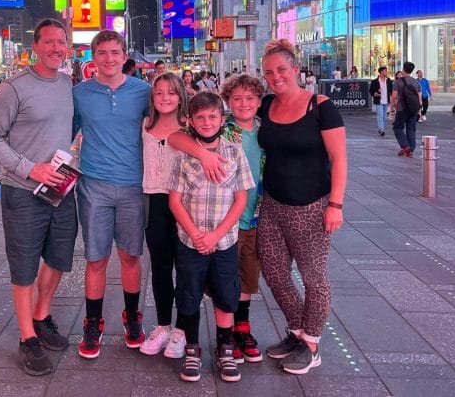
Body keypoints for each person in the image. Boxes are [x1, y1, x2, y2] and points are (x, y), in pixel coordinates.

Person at [0, 18, 77, 377]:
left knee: (59, 259)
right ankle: (27, 338)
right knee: (24, 267)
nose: (56, 48)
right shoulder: (13, 88)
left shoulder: (68, 83)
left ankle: (42, 315)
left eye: (61, 42)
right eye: (49, 42)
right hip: (22, 192)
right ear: (34, 47)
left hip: (61, 191)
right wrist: (28, 167)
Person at [254, 40, 346, 375]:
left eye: (281, 70)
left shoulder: (320, 107)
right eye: (268, 72)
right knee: (274, 274)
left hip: (312, 206)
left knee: (313, 278)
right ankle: (296, 332)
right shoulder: (266, 106)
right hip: (273, 205)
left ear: (295, 70)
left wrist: (335, 204)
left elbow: (338, 159)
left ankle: (311, 344)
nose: (275, 77)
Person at [169, 73, 267, 365]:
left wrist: (216, 235)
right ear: (190, 120)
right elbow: (174, 200)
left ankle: (226, 344)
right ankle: (192, 346)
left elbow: (241, 197)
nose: (207, 123)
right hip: (190, 239)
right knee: (189, 292)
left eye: (213, 117)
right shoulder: (185, 155)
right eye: (200, 118)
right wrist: (197, 234)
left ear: (221, 119)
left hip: (226, 238)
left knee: (227, 291)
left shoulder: (235, 150)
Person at [72, 29, 151, 359]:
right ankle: (93, 323)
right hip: (94, 185)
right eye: (102, 53)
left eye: (114, 52)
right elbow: (62, 131)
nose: (108, 59)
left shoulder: (144, 91)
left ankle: (132, 318)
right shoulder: (79, 94)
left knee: (131, 256)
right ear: (93, 58)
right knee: (96, 258)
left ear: (124, 55)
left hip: (135, 185)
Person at [138, 72, 188, 359]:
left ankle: (182, 329)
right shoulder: (145, 126)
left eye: (171, 92)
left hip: (184, 204)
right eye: (159, 93)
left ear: (181, 95)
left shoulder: (190, 126)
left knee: (185, 266)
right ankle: (163, 325)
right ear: (152, 97)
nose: (165, 97)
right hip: (153, 202)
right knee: (159, 266)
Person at [391, 61, 422, 157]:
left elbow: (394, 97)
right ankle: (410, 150)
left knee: (397, 128)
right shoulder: (416, 82)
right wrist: (419, 111)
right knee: (411, 129)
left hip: (401, 108)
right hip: (413, 109)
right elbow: (419, 98)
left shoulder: (398, 82)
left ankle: (405, 146)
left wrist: (391, 108)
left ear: (403, 69)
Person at [368, 67, 393, 136]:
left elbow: (391, 91)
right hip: (379, 101)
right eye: (385, 71)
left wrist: (392, 99)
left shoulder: (388, 81)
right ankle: (381, 129)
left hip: (386, 100)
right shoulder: (375, 81)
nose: (386, 72)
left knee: (384, 116)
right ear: (381, 72)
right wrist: (374, 94)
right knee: (380, 115)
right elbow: (371, 91)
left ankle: (382, 128)